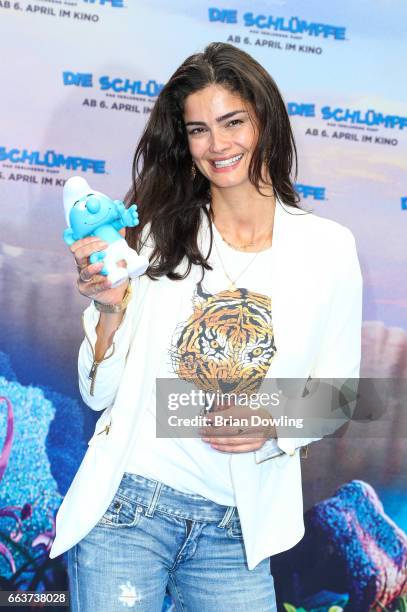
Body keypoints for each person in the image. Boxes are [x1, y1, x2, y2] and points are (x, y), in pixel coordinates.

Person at [49, 42, 362, 611]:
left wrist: (274, 419)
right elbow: (98, 392)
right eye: (198, 129)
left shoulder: (329, 250)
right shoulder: (155, 229)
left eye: (232, 122)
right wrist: (110, 307)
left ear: (265, 120)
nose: (217, 145)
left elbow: (341, 396)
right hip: (129, 509)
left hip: (236, 532)